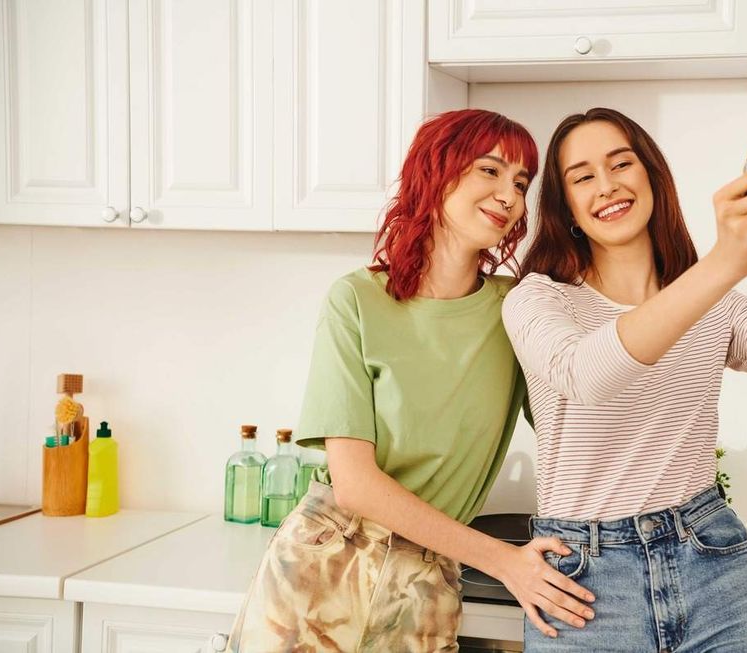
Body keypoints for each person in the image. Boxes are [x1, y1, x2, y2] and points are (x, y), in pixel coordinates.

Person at [502, 107, 747, 652]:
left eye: (621, 164)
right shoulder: (538, 299)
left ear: (653, 177)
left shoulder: (713, 305)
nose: (607, 186)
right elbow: (589, 375)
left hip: (713, 561)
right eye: (582, 177)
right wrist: (725, 261)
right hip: (583, 584)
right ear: (569, 209)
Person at [225, 109, 594, 653]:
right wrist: (502, 561)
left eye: (521, 182)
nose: (510, 196)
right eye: (489, 171)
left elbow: (574, 427)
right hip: (324, 560)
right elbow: (355, 483)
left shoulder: (517, 307)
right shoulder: (355, 299)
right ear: (436, 173)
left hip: (427, 574)